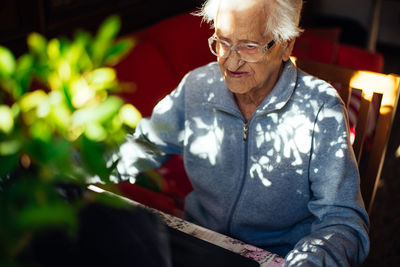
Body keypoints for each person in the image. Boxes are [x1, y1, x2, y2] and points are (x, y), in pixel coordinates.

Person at [113, 0, 370, 265]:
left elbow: (342, 221)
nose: (232, 62)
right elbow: (144, 145)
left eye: (250, 46)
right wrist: (79, 165)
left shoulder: (320, 109)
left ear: (286, 45)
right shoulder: (198, 87)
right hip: (200, 244)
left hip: (278, 257)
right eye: (223, 42)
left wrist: (310, 261)